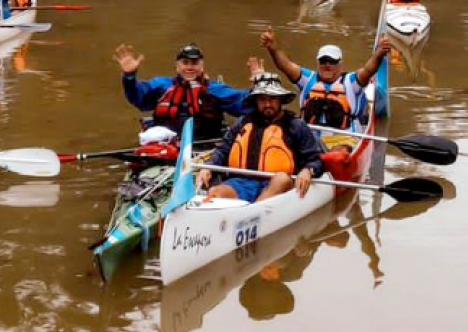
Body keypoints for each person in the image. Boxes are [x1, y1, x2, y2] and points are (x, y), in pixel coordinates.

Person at [195, 73, 324, 203]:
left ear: (281, 100)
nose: (268, 104)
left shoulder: (296, 126)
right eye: (262, 99)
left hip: (277, 184)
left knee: (282, 179)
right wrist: (208, 167)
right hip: (242, 183)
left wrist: (308, 170)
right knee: (215, 192)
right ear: (255, 101)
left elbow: (315, 159)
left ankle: (254, 211)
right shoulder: (243, 122)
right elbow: (222, 151)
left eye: (272, 99)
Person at [260, 27, 391, 151]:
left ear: (340, 64)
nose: (327, 66)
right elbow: (285, 66)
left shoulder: (351, 82)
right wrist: (273, 48)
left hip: (343, 140)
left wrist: (379, 53)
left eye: (332, 62)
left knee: (340, 152)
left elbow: (368, 70)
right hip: (309, 138)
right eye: (323, 61)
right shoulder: (307, 80)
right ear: (318, 63)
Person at [113, 43, 252, 140]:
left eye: (194, 63)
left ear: (202, 67)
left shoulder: (215, 90)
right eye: (185, 63)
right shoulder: (161, 85)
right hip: (167, 145)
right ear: (177, 66)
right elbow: (138, 96)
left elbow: (244, 104)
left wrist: (258, 86)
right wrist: (129, 77)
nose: (190, 67)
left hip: (205, 147)